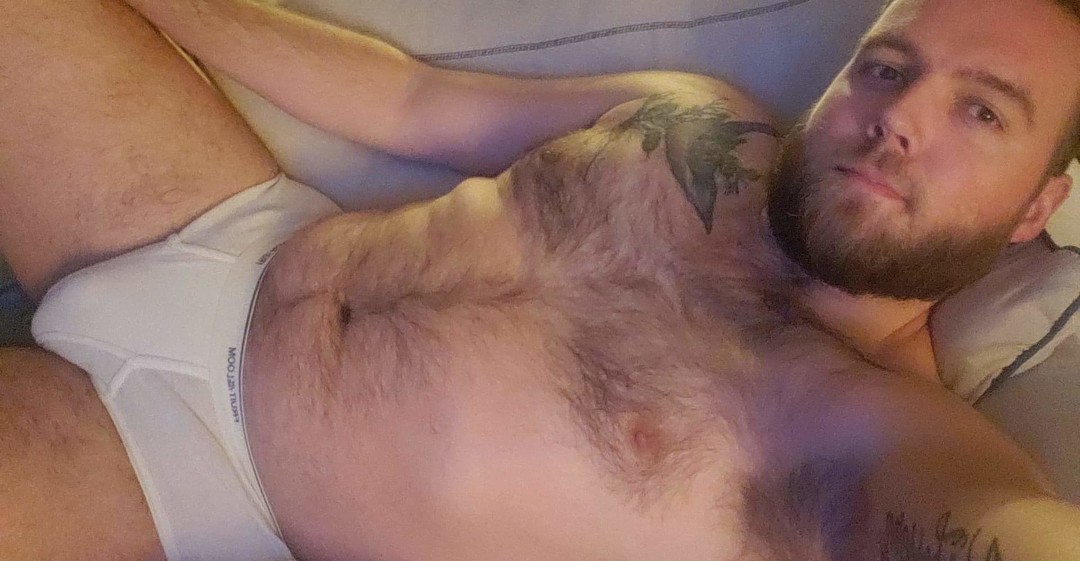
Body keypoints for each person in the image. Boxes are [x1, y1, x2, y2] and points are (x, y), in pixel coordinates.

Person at [1, 1, 1078, 561]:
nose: (901, 117)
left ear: (1039, 206)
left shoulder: (878, 440)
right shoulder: (700, 120)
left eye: (982, 111)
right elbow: (413, 101)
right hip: (224, 226)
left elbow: (1002, 529)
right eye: (887, 67)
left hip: (202, 475)